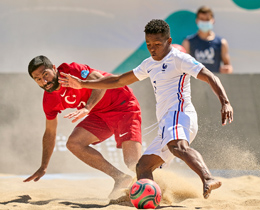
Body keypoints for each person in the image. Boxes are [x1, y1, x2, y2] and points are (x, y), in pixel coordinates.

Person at [59, 19, 233, 199]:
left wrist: (225, 101)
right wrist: (83, 84)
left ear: (169, 41)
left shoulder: (179, 58)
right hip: (166, 122)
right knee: (142, 167)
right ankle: (153, 197)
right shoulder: (149, 64)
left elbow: (209, 76)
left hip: (179, 114)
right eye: (149, 44)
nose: (153, 48)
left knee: (178, 147)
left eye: (157, 44)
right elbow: (118, 81)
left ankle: (208, 178)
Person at [23, 56, 142, 199]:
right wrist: (43, 166)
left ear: (54, 68)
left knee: (132, 163)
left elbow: (99, 80)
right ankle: (121, 178)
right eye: (38, 79)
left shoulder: (70, 70)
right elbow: (50, 132)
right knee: (74, 143)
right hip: (99, 113)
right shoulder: (49, 100)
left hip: (122, 104)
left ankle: (157, 184)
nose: (44, 81)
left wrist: (87, 107)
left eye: (45, 74)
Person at [182, 6, 233, 74]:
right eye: (202, 19)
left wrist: (227, 69)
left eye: (207, 19)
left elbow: (228, 66)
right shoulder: (188, 42)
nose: (204, 22)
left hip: (214, 81)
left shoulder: (221, 43)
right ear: (197, 21)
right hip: (195, 82)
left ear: (213, 20)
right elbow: (183, 65)